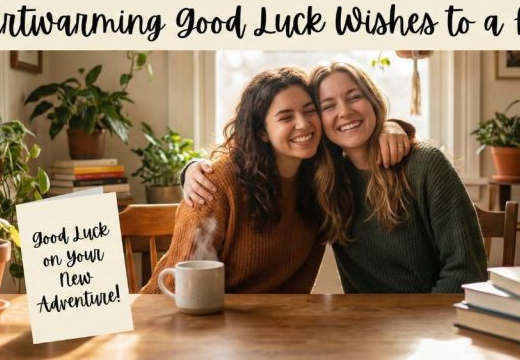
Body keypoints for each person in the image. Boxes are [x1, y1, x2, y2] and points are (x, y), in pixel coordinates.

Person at [183, 62, 487, 294]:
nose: (344, 112)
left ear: (374, 102)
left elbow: (466, 272)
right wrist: (191, 168)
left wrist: (394, 126)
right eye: (327, 106)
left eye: (354, 97)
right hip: (363, 329)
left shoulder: (426, 165)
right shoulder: (323, 181)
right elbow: (253, 159)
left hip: (431, 331)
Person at [142, 66, 410, 294]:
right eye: (286, 117)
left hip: (279, 332)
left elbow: (352, 131)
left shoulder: (322, 179)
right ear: (261, 132)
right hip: (200, 331)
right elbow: (176, 290)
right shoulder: (215, 184)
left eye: (310, 111)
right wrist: (189, 168)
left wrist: (393, 126)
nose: (304, 124)